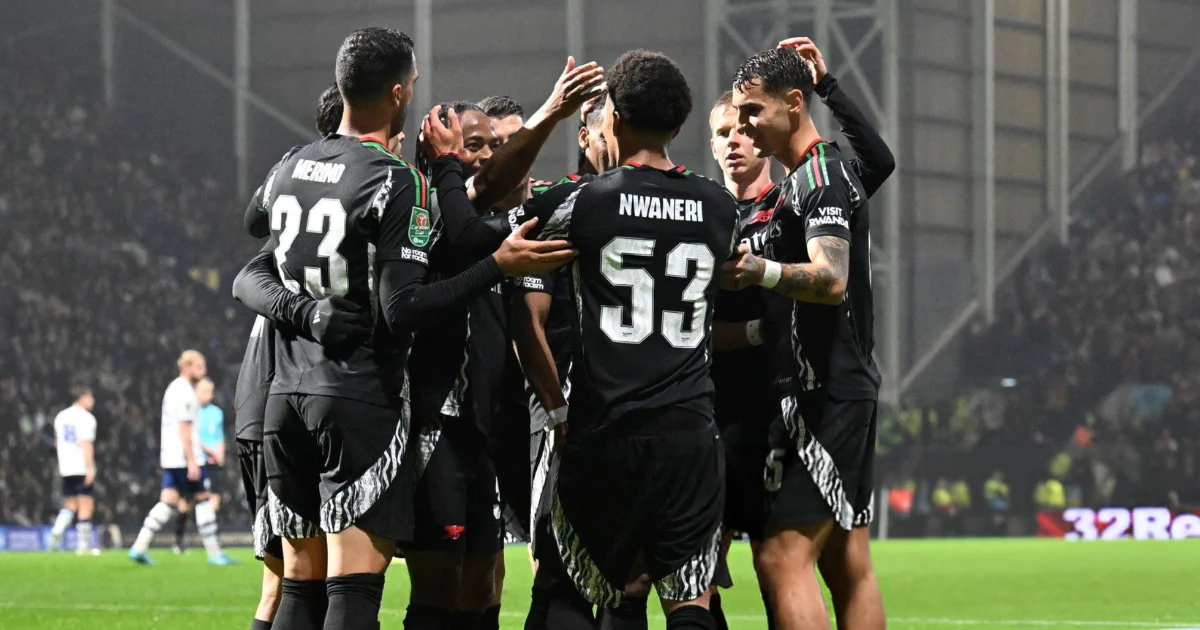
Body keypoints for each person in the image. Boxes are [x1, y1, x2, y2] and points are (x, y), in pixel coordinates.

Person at [230, 26, 576, 630]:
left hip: (283, 396)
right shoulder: (398, 183)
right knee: (351, 586)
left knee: (299, 588)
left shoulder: (290, 163)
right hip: (357, 395)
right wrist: (497, 263)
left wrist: (303, 307)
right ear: (397, 95)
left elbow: (254, 233)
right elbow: (404, 308)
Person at [514, 49, 739, 630]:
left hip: (602, 429)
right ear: (682, 127)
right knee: (691, 600)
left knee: (566, 584)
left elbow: (489, 205)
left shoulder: (585, 200)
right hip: (688, 434)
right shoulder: (721, 207)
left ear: (610, 118)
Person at [709, 36, 896, 630]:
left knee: (781, 555)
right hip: (830, 386)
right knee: (845, 560)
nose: (744, 128)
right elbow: (881, 162)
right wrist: (830, 86)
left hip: (828, 390)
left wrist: (758, 270)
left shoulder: (819, 176)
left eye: (751, 113)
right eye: (734, 120)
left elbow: (833, 279)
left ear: (792, 104)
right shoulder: (813, 174)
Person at [128, 350, 235, 566]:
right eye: (199, 366)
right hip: (186, 458)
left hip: (172, 457)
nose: (203, 371)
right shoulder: (185, 392)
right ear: (186, 366)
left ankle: (139, 546)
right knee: (203, 499)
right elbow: (185, 427)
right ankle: (215, 553)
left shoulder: (174, 388)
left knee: (168, 501)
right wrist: (193, 460)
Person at [48, 386, 99, 556]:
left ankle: (56, 531)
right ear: (82, 398)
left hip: (65, 466)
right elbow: (86, 443)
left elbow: (57, 442)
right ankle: (82, 546)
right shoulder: (87, 418)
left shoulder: (61, 416)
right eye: (91, 397)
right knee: (86, 506)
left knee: (70, 505)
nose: (93, 401)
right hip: (80, 466)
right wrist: (90, 467)